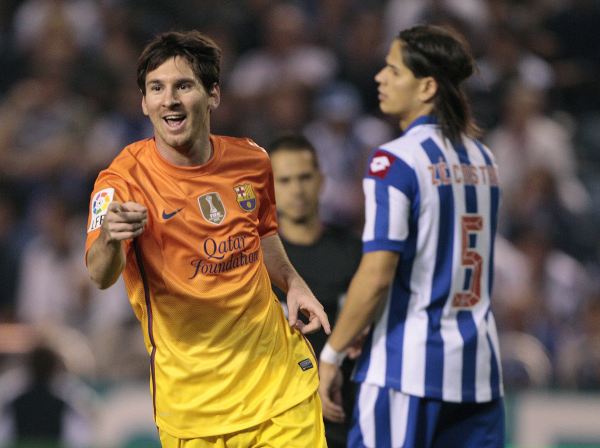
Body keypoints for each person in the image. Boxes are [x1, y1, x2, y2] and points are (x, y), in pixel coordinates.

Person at [84, 30, 331, 447]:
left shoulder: (252, 159)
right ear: (144, 103)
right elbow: (99, 274)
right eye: (156, 88)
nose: (170, 99)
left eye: (183, 85)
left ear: (212, 94)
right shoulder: (122, 181)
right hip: (194, 411)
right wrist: (110, 236)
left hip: (281, 386)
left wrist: (293, 282)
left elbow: (263, 231)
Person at [318, 24, 505, 448]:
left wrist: (331, 354)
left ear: (427, 87)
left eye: (393, 70)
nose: (380, 78)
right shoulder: (484, 158)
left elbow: (379, 272)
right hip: (478, 374)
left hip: (406, 371)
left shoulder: (394, 161)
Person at [268, 134, 362, 448]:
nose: (296, 189)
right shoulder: (253, 259)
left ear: (321, 181)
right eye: (284, 180)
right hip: (277, 418)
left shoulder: (354, 251)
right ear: (269, 188)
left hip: (345, 412)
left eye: (305, 177)